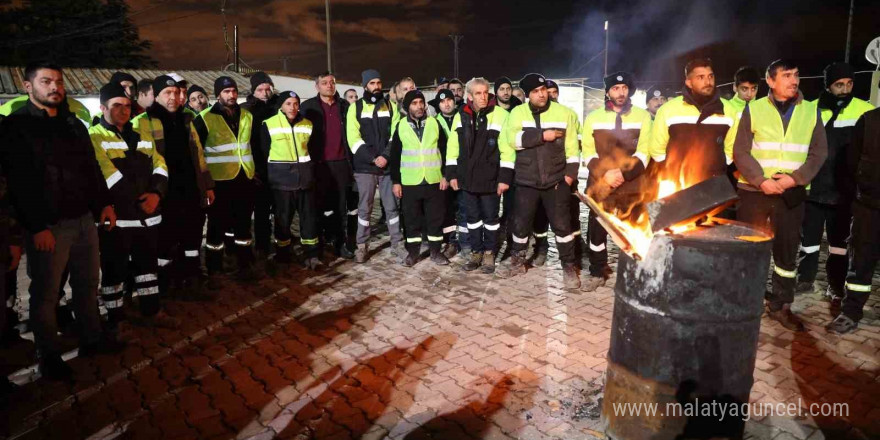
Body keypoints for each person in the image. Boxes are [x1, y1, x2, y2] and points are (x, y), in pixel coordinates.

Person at [0, 62, 122, 381]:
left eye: (58, 81)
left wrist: (104, 204)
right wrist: (36, 225)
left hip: (83, 218)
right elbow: (18, 182)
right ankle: (48, 353)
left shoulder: (73, 123)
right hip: (49, 225)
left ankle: (91, 339)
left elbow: (91, 168)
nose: (54, 87)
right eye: (46, 81)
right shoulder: (17, 126)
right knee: (46, 293)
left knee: (86, 284)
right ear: (29, 87)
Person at [732, 59, 828, 332]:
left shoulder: (811, 110)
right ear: (771, 81)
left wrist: (794, 179)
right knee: (749, 248)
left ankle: (781, 305)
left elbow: (819, 153)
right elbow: (741, 151)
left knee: (787, 253)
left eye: (796, 75)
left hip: (791, 194)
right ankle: (746, 302)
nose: (793, 80)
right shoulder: (754, 108)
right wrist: (761, 181)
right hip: (755, 192)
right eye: (786, 75)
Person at [90, 82, 178, 329]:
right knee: (114, 271)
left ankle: (152, 311)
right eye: (116, 105)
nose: (123, 110)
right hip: (118, 219)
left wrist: (156, 194)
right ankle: (116, 320)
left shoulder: (142, 135)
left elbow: (160, 165)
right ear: (102, 107)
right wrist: (141, 200)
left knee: (147, 269)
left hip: (148, 217)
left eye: (127, 105)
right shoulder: (95, 136)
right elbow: (106, 174)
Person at [796, 62, 875, 300]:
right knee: (808, 242)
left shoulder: (864, 110)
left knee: (839, 246)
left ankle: (835, 285)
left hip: (843, 191)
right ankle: (805, 279)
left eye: (849, 83)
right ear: (828, 86)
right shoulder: (810, 110)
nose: (845, 89)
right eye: (839, 84)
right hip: (813, 187)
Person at [496, 74, 581, 289]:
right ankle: (517, 261)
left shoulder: (564, 113)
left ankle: (568, 267)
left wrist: (569, 176)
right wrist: (542, 136)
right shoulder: (517, 113)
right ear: (527, 95)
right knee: (521, 224)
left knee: (563, 226)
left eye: (543, 89)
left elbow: (572, 148)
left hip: (556, 181)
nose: (541, 94)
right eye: (535, 91)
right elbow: (512, 140)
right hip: (526, 181)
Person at [134, 75, 214, 298]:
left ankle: (191, 279)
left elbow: (198, 154)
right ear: (156, 96)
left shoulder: (187, 120)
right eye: (168, 93)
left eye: (177, 93)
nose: (174, 97)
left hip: (189, 190)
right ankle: (165, 284)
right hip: (163, 194)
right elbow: (139, 163)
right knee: (165, 241)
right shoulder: (143, 122)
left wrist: (207, 185)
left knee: (192, 237)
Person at [581, 72, 652, 290]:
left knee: (634, 229)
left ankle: (633, 273)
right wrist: (605, 175)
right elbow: (588, 153)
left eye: (624, 88)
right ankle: (597, 271)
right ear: (607, 92)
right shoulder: (593, 118)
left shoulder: (643, 116)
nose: (620, 93)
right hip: (601, 185)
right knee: (597, 229)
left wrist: (624, 174)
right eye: (615, 88)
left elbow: (644, 152)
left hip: (632, 185)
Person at [193, 76, 259, 280]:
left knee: (243, 224)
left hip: (244, 177)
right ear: (217, 94)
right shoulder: (204, 118)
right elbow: (197, 152)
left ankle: (245, 265)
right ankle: (215, 268)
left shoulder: (247, 115)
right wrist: (205, 183)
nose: (231, 95)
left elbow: (252, 145)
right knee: (216, 226)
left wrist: (254, 172)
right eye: (226, 91)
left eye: (233, 91)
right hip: (218, 181)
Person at [446, 78, 509, 273]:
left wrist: (504, 177)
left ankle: (489, 252)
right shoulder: (460, 116)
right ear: (469, 96)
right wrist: (451, 174)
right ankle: (476, 252)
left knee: (490, 219)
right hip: (467, 178)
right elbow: (452, 146)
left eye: (485, 92)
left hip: (491, 179)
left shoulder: (501, 115)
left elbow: (507, 149)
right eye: (478, 93)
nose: (483, 96)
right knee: (472, 218)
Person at [827, 103, 880, 333]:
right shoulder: (869, 121)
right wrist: (860, 191)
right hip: (868, 206)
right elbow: (852, 163)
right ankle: (850, 312)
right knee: (860, 262)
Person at [650, 58, 738, 187]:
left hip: (714, 183)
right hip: (677, 183)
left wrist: (718, 166)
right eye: (700, 77)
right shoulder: (668, 109)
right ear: (689, 83)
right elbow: (657, 148)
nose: (708, 82)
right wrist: (671, 172)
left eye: (710, 76)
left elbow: (731, 146)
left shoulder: (729, 109)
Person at [260, 91, 322, 269]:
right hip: (281, 181)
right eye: (288, 103)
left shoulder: (307, 124)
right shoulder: (269, 124)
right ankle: (283, 254)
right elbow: (265, 152)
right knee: (283, 219)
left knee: (309, 218)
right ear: (281, 105)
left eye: (295, 103)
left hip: (305, 180)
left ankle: (312, 254)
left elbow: (313, 150)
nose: (293, 107)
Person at [346, 69, 404, 263]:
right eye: (372, 83)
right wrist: (373, 158)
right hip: (365, 167)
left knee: (391, 207)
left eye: (378, 83)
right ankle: (362, 245)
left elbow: (395, 135)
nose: (376, 86)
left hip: (386, 166)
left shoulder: (390, 105)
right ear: (364, 86)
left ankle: (397, 243)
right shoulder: (355, 108)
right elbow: (353, 139)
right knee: (365, 209)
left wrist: (386, 156)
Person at [390, 90, 449, 266]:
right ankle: (413, 253)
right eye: (414, 103)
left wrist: (446, 175)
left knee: (435, 219)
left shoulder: (435, 123)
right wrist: (396, 182)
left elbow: (446, 151)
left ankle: (436, 252)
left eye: (421, 102)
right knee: (411, 220)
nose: (419, 106)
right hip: (410, 182)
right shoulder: (400, 126)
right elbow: (395, 156)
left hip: (434, 180)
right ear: (408, 106)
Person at [301, 72, 356, 259]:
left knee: (341, 207)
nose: (329, 86)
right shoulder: (307, 107)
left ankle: (340, 244)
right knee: (318, 207)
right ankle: (319, 245)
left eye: (332, 82)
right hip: (319, 165)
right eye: (324, 83)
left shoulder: (344, 106)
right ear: (317, 86)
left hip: (341, 164)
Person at [243, 72, 277, 258]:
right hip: (258, 167)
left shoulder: (279, 106)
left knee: (281, 209)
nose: (264, 92)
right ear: (253, 91)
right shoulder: (246, 110)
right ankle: (262, 245)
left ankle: (282, 242)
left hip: (279, 166)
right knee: (261, 209)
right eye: (260, 89)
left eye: (267, 88)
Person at [434, 89, 469, 259]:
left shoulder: (464, 118)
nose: (446, 104)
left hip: (462, 172)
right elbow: (435, 152)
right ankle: (450, 242)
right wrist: (443, 175)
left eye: (449, 100)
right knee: (447, 209)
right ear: (438, 104)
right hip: (444, 175)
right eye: (442, 101)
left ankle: (464, 241)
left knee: (464, 208)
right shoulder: (434, 122)